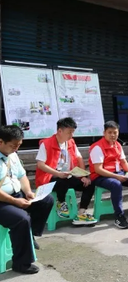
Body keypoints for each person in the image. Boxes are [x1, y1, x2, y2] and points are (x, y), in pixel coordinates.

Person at [0, 125, 54, 274]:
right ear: (1, 142)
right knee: (22, 219)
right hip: (2, 201)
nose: (16, 148)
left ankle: (31, 234)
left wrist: (28, 192)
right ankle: (21, 264)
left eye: (19, 145)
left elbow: (21, 175)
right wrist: (15, 201)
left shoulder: (13, 154)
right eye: (13, 145)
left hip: (16, 195)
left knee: (46, 200)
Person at [89, 121, 128, 229]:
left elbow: (123, 162)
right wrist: (116, 177)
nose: (112, 135)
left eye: (115, 132)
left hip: (117, 173)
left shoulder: (118, 145)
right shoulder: (97, 147)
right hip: (100, 176)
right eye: (109, 132)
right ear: (104, 132)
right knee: (116, 184)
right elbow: (98, 169)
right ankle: (119, 216)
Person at [35, 117, 97, 225]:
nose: (71, 135)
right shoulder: (46, 143)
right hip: (49, 178)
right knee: (61, 181)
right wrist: (57, 173)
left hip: (67, 175)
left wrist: (83, 176)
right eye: (69, 132)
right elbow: (40, 165)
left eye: (73, 132)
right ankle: (61, 203)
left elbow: (79, 158)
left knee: (89, 184)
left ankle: (81, 213)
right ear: (60, 131)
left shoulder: (71, 142)